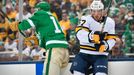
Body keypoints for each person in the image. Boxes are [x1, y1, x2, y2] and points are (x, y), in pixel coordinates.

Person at [10, 1, 69, 75]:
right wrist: (37, 40)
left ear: (39, 9)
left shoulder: (41, 13)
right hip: (64, 50)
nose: (34, 11)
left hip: (54, 49)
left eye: (35, 9)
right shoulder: (51, 16)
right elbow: (49, 33)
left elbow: (28, 23)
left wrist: (17, 25)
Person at [70, 0, 117, 75]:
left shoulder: (110, 22)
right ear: (90, 11)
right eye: (94, 11)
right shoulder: (85, 19)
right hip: (84, 53)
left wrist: (105, 46)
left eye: (98, 11)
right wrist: (92, 37)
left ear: (103, 11)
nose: (96, 14)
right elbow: (79, 34)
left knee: (101, 74)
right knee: (77, 73)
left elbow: (112, 39)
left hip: (100, 55)